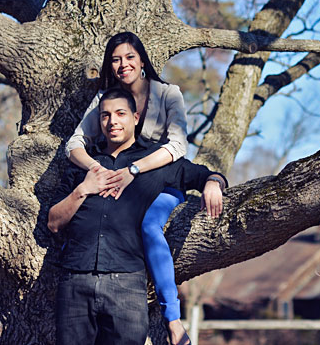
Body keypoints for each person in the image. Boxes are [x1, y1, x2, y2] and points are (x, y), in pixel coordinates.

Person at [49, 88, 226, 345]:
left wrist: (213, 183)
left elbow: (205, 174)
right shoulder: (84, 163)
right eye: (105, 116)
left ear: (135, 117)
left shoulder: (154, 160)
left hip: (126, 287)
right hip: (75, 282)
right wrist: (83, 189)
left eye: (120, 114)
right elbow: (53, 223)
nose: (112, 121)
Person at [65, 32, 193, 344]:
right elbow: (74, 144)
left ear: (142, 60)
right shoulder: (107, 101)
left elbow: (178, 146)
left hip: (160, 180)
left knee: (149, 225)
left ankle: (173, 319)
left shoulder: (168, 94)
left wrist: (133, 169)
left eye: (130, 57)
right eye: (116, 59)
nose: (124, 65)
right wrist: (98, 169)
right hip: (119, 180)